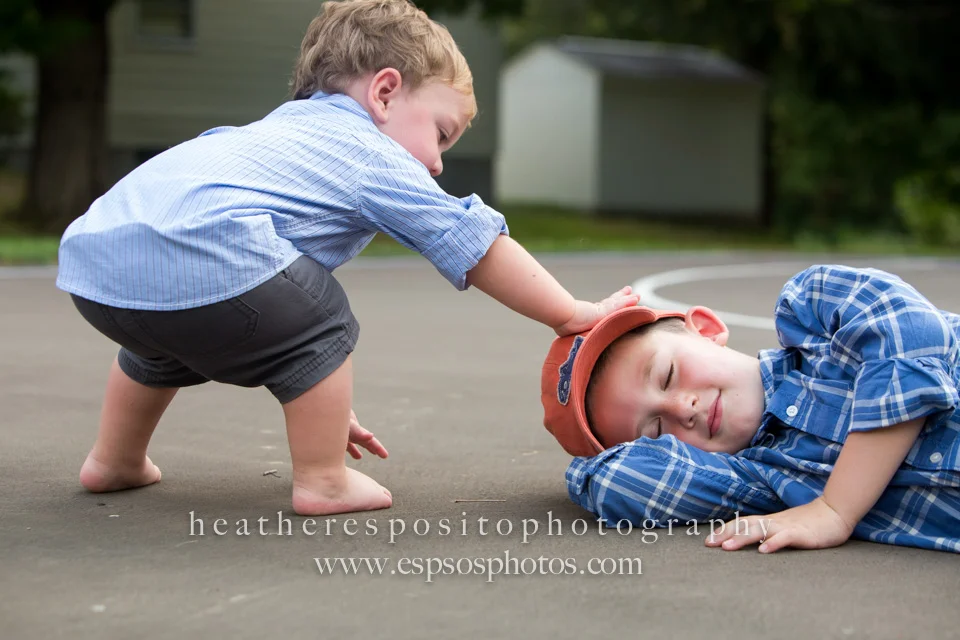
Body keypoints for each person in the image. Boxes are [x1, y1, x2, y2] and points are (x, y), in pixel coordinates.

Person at [56, 0, 638, 517]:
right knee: (323, 315)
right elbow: (472, 242)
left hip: (100, 266)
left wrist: (321, 397)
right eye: (440, 133)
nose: (436, 163)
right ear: (384, 92)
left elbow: (271, 316)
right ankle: (323, 481)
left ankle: (115, 460)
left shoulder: (266, 137)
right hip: (208, 251)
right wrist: (567, 313)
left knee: (163, 340)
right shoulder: (365, 150)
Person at [540, 264, 960, 553]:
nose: (682, 410)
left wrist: (836, 509)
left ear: (705, 328)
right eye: (654, 431)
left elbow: (911, 332)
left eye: (667, 374)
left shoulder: (812, 318)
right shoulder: (758, 482)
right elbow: (616, 482)